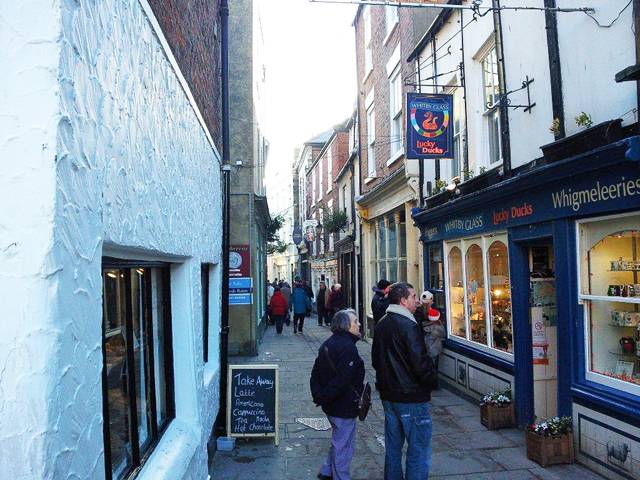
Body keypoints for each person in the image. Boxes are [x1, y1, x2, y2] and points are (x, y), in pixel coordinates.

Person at [372, 282, 437, 480]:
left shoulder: (382, 323)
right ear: (403, 300)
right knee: (418, 450)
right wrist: (432, 382)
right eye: (414, 296)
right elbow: (420, 364)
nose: (418, 301)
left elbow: (376, 360)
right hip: (411, 398)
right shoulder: (409, 326)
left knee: (393, 448)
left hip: (389, 397)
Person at [310, 309, 365, 480]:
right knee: (344, 446)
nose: (359, 324)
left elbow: (315, 374)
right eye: (355, 321)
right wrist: (324, 395)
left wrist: (319, 396)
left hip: (332, 404)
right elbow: (341, 380)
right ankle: (341, 477)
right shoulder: (348, 348)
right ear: (346, 326)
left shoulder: (328, 343)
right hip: (343, 405)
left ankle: (327, 470)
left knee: (338, 439)